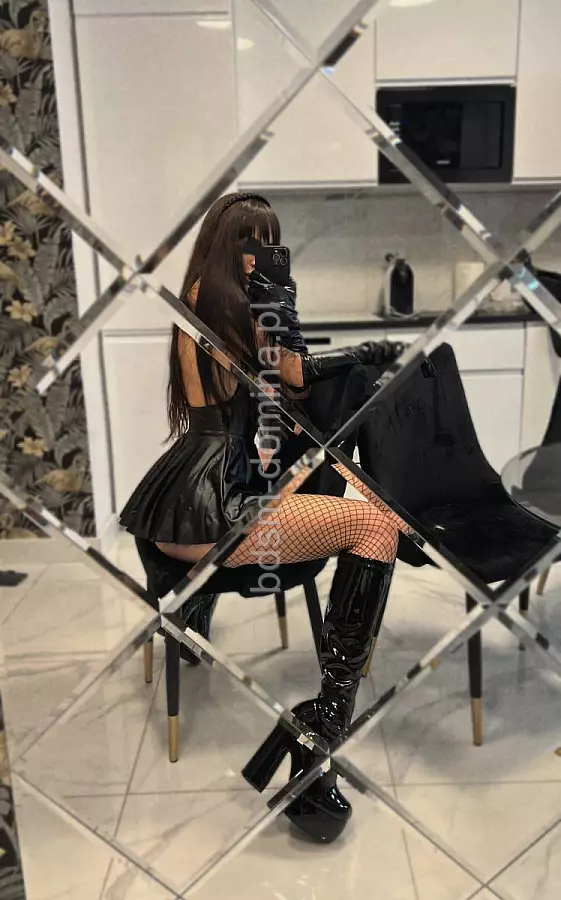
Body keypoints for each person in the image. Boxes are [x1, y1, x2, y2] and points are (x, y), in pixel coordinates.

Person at [120, 192, 412, 843]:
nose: (265, 256)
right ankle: (321, 728)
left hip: (192, 497)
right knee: (374, 525)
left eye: (273, 243)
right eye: (255, 243)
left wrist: (342, 345)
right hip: (216, 508)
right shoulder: (222, 300)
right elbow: (294, 373)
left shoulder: (203, 297)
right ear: (230, 245)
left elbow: (285, 383)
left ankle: (316, 727)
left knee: (370, 515)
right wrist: (317, 326)